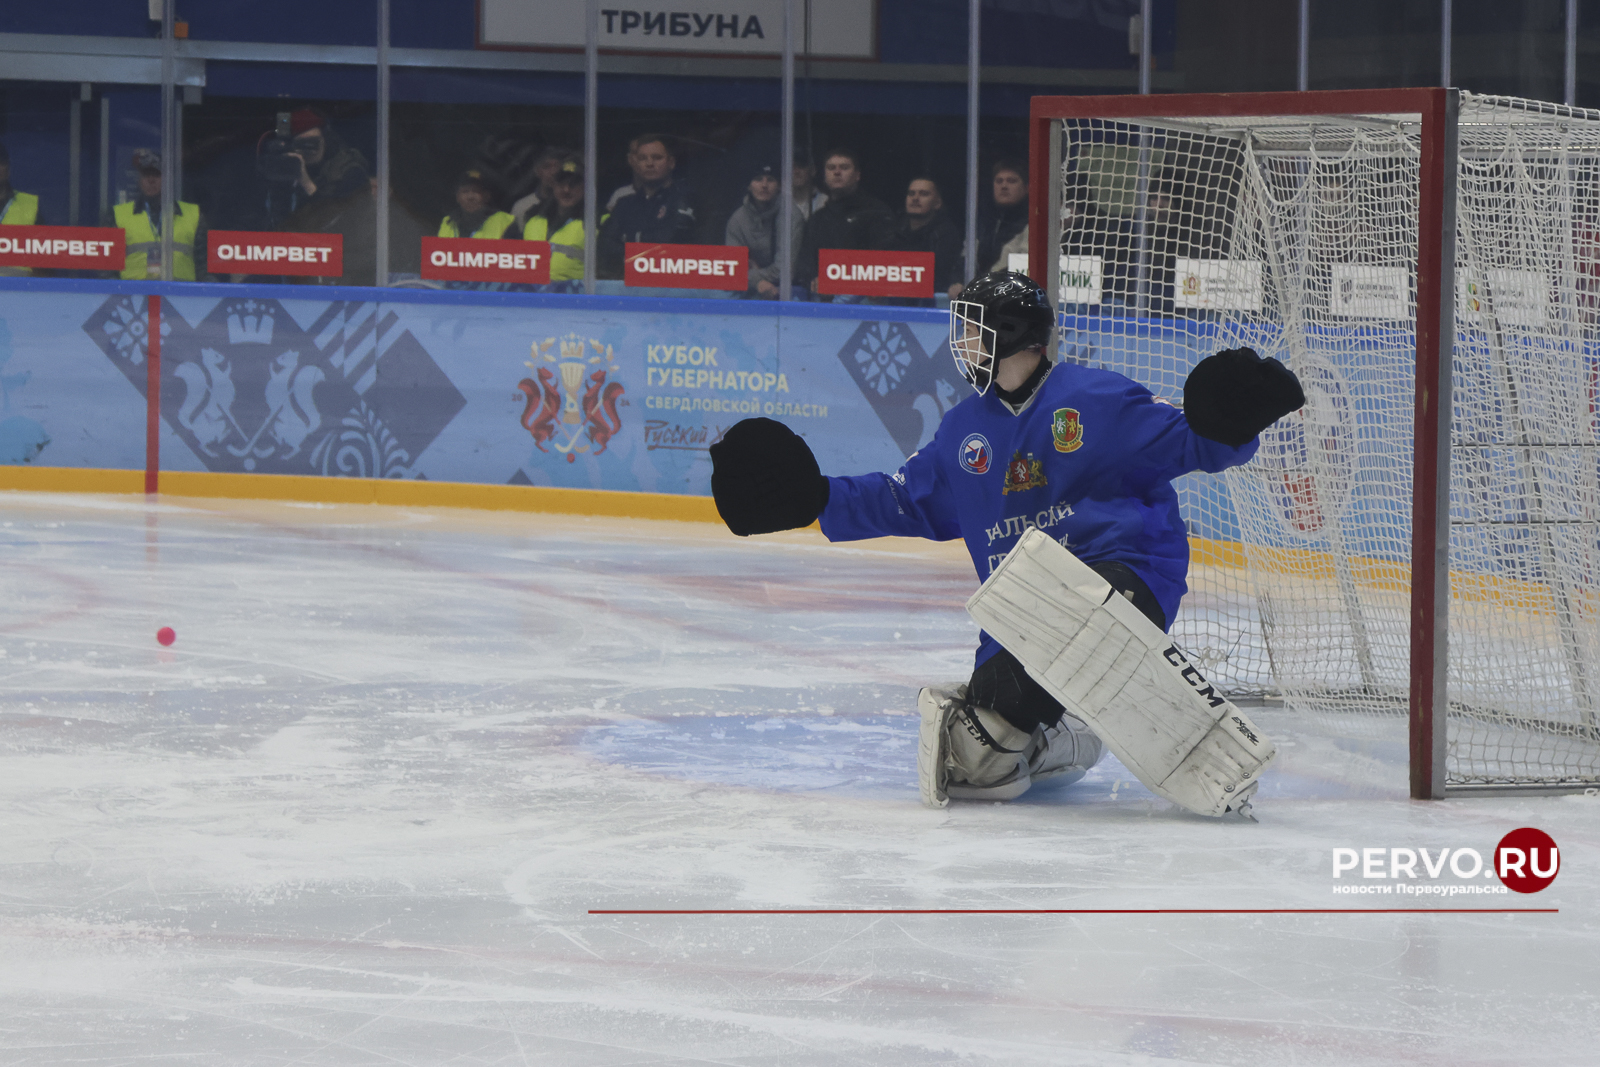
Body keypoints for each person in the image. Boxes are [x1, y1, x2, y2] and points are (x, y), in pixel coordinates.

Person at [707, 271, 1304, 809]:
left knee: (1079, 621)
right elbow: (903, 498)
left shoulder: (1095, 399)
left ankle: (1069, 717)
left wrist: (1228, 420)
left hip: (1122, 573)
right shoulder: (962, 430)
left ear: (1008, 334)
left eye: (971, 330)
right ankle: (1062, 741)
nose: (961, 344)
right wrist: (817, 496)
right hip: (1023, 609)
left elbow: (1192, 442)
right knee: (978, 757)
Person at [596, 133, 697, 277]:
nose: (649, 163)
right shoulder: (625, 203)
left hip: (671, 286)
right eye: (643, 158)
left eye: (657, 157)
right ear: (636, 164)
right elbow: (604, 245)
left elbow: (670, 243)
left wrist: (628, 242)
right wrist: (641, 245)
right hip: (627, 285)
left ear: (671, 163)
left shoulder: (684, 198)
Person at [795, 147, 894, 293]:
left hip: (864, 302)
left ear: (857, 175)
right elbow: (805, 264)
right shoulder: (818, 219)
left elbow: (885, 266)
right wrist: (813, 280)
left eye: (844, 167)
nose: (837, 172)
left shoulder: (876, 213)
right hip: (822, 301)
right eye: (831, 168)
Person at [256, 108, 372, 231]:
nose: (309, 151)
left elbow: (340, 222)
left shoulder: (348, 170)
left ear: (325, 140)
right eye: (301, 144)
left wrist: (305, 182)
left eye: (313, 143)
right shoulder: (277, 170)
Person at [104, 150, 207, 281]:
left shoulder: (193, 215)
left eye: (157, 174)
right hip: (133, 297)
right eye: (146, 175)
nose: (151, 180)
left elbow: (204, 266)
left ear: (168, 179)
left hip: (180, 297)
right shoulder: (117, 215)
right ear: (139, 179)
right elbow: (107, 269)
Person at [882, 175, 964, 302]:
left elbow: (940, 278)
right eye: (911, 193)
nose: (915, 198)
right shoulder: (893, 231)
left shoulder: (946, 235)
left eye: (923, 194)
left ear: (937, 203)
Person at [724, 162, 795, 299]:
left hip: (789, 289)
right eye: (758, 179)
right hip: (748, 287)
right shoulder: (737, 219)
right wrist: (756, 282)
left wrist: (752, 276)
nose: (764, 185)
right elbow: (733, 269)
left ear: (779, 185)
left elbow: (785, 271)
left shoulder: (790, 215)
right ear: (749, 186)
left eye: (770, 180)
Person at [523, 156, 591, 282]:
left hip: (575, 295)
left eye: (573, 184)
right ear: (553, 186)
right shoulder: (533, 217)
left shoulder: (596, 221)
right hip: (532, 293)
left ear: (584, 187)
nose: (566, 190)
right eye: (561, 184)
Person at [977, 159, 1029, 274]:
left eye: (1011, 181)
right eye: (999, 181)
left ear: (1027, 188)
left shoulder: (1032, 224)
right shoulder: (984, 222)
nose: (1004, 186)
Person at [438, 169, 517, 239]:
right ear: (458, 197)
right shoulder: (448, 222)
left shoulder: (505, 221)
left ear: (486, 196)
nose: (470, 197)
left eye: (476, 191)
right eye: (465, 191)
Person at [0, 142, 40, 278]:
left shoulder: (29, 204)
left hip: (19, 291)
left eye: (0, 163)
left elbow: (46, 256)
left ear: (8, 169)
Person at [510, 146, 574, 230]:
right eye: (547, 166)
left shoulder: (571, 203)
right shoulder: (522, 207)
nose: (553, 171)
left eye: (557, 165)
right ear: (537, 171)